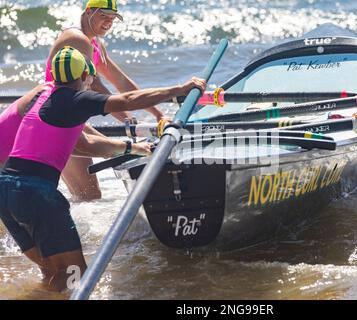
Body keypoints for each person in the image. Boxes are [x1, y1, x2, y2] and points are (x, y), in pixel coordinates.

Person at [0, 47, 206, 291]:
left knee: (52, 272)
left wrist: (134, 148)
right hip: (37, 195)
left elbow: (84, 145)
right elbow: (128, 100)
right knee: (76, 277)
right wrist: (179, 90)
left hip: (6, 194)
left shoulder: (43, 96)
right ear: (85, 77)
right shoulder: (76, 99)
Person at [46, 0, 165, 201]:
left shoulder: (95, 43)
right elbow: (95, 87)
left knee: (86, 195)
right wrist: (130, 121)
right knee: (88, 195)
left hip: (70, 117)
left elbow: (120, 81)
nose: (108, 23)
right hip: (58, 119)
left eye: (112, 19)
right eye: (104, 16)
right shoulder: (77, 39)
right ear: (88, 12)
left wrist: (158, 114)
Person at [0, 59, 151, 170]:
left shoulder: (51, 94)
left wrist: (115, 149)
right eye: (90, 83)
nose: (89, 88)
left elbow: (78, 135)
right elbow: (84, 145)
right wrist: (129, 148)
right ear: (83, 77)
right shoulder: (55, 99)